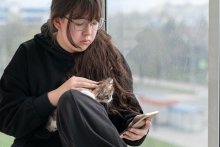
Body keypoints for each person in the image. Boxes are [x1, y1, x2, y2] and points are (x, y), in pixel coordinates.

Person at [0, 0, 152, 146]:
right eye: (80, 24)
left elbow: (125, 111)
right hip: (38, 143)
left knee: (73, 98)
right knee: (70, 97)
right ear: (58, 22)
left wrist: (134, 125)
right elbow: (6, 119)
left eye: (94, 23)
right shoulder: (29, 54)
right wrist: (54, 97)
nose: (88, 33)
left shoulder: (109, 55)